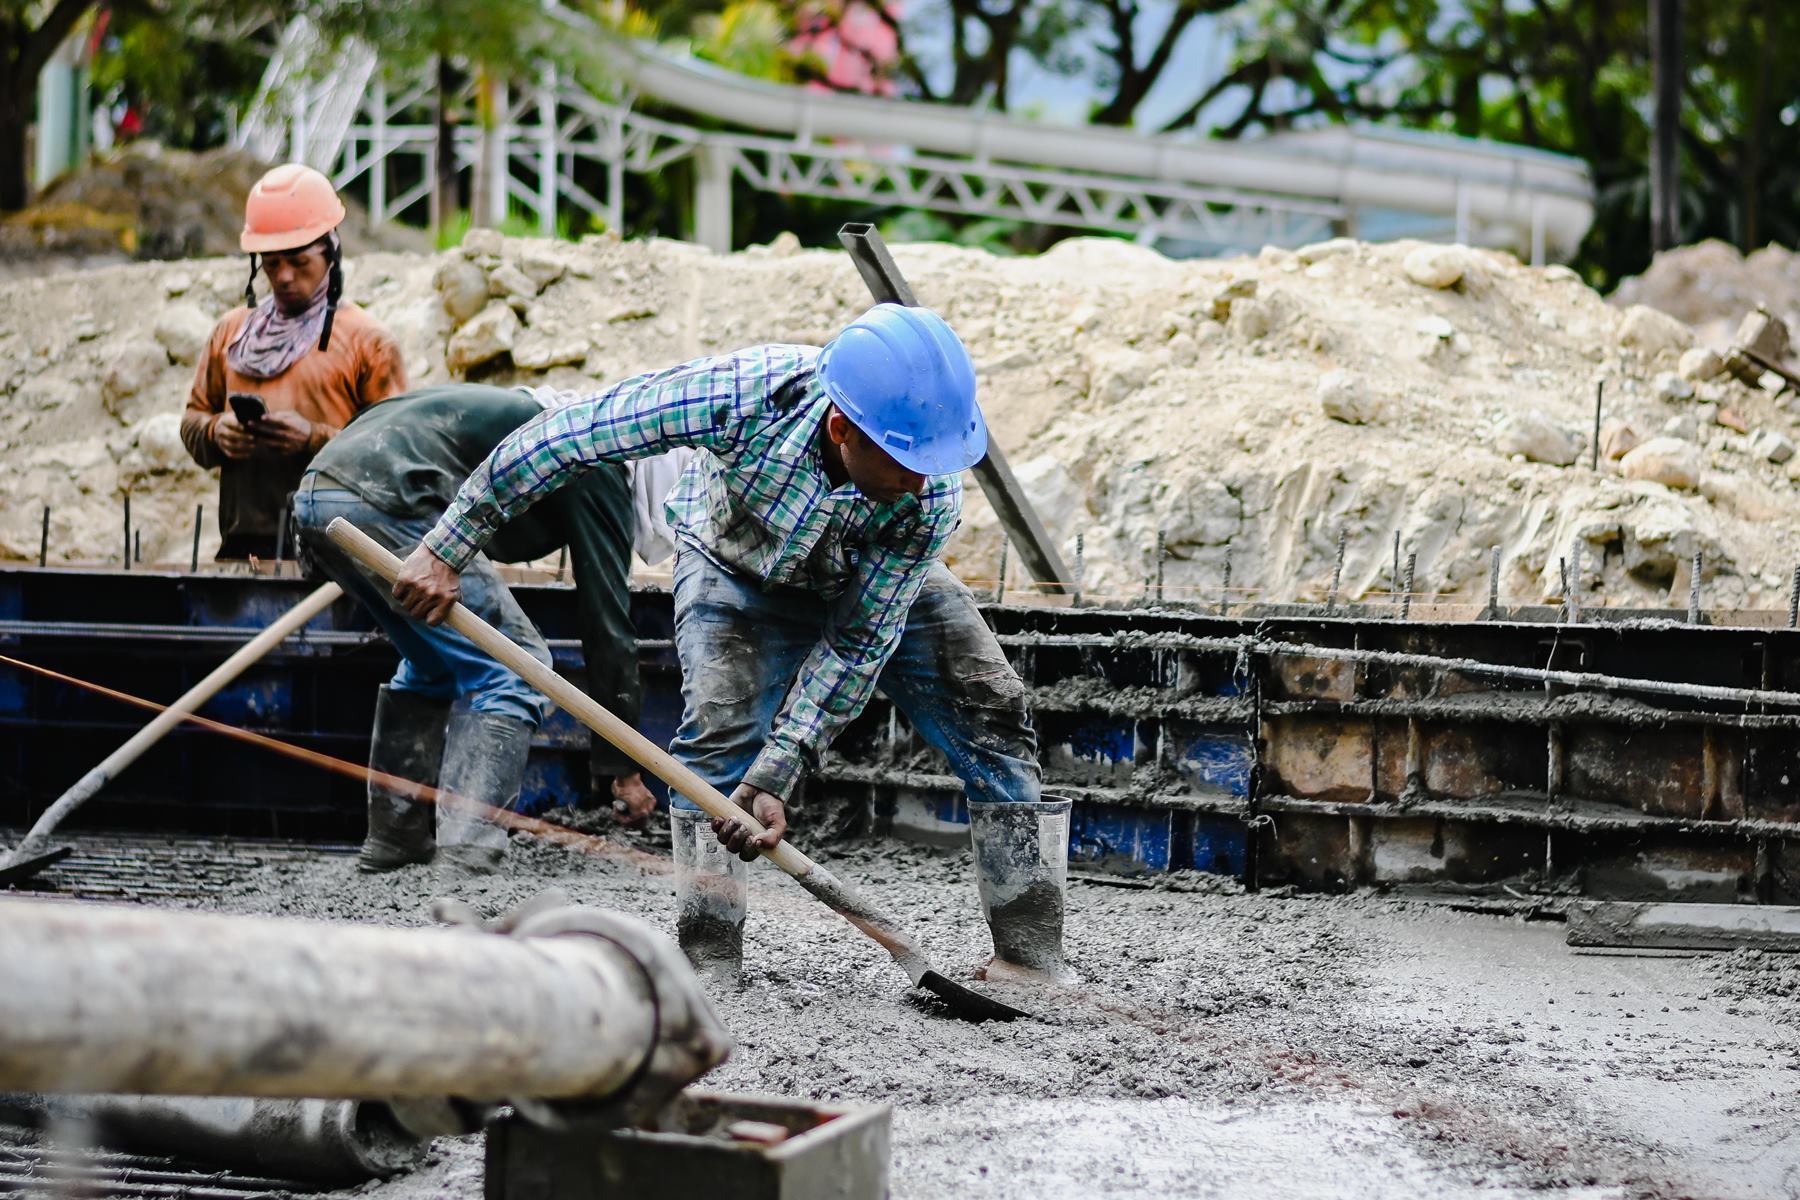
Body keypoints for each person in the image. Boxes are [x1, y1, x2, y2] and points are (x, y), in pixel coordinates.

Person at [387, 305, 1075, 983]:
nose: (924, 481)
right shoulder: (745, 395)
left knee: (992, 705)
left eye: (933, 462)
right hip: (734, 567)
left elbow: (860, 642)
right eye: (905, 463)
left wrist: (780, 769)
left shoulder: (924, 499)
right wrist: (450, 545)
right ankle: (709, 963)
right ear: (842, 428)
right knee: (718, 735)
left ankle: (1028, 955)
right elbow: (570, 435)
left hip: (862, 570)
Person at [292, 383, 660, 874]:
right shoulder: (601, 459)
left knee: (433, 664)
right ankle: (467, 855)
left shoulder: (538, 415)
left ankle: (394, 839)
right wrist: (623, 768)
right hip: (388, 495)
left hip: (322, 493)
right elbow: (607, 621)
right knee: (514, 666)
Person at [180, 163, 408, 560]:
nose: (284, 276)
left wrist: (313, 439)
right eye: (271, 263)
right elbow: (193, 420)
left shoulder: (367, 342)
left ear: (330, 253)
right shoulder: (231, 335)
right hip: (245, 550)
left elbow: (396, 458)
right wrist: (218, 432)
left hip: (337, 557)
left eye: (299, 262)